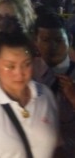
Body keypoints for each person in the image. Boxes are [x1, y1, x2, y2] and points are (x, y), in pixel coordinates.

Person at [31, 12, 75, 156]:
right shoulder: (27, 71)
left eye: (58, 40)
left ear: (69, 39)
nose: (52, 46)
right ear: (35, 41)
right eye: (45, 40)